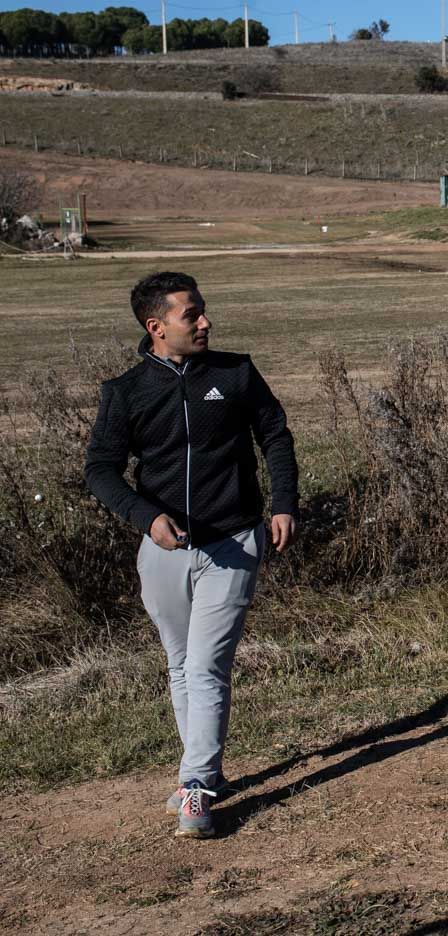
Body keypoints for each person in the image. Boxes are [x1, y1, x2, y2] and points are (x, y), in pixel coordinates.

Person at [85, 272, 298, 838]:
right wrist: (145, 518)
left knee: (206, 667)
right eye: (190, 315)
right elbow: (100, 472)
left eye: (203, 311)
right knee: (180, 665)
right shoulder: (125, 392)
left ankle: (197, 786)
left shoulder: (235, 373)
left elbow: (274, 434)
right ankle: (206, 772)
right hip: (162, 552)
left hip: (233, 541)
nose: (204, 322)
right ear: (156, 327)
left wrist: (284, 503)